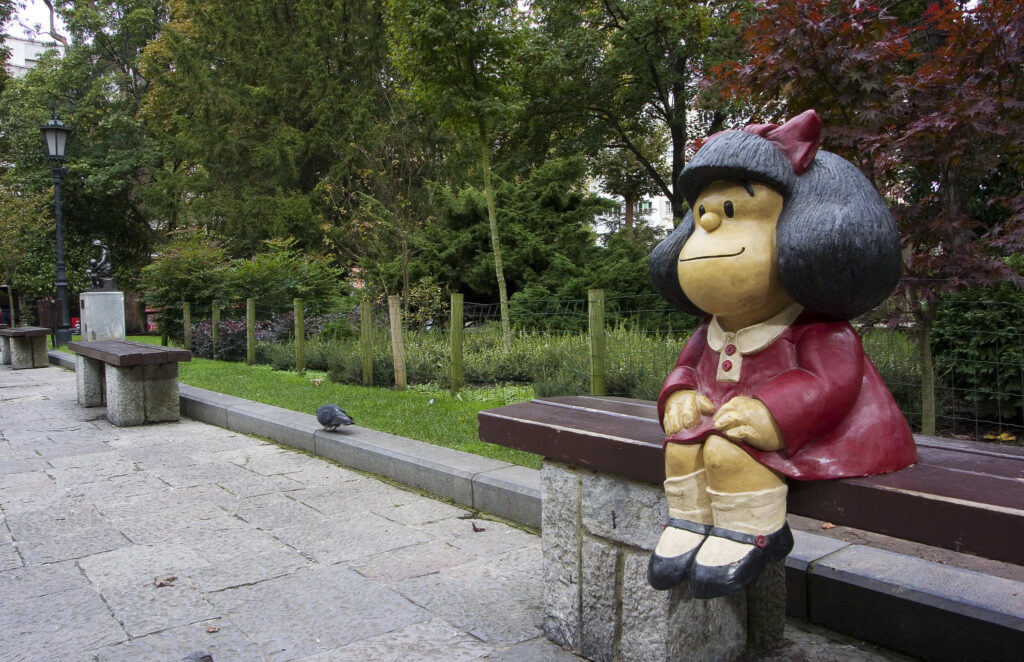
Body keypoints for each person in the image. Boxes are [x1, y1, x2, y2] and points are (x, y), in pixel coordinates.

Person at [646, 110, 917, 598]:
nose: (706, 225)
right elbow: (687, 367)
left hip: (818, 435)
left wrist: (772, 411)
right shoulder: (714, 327)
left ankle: (752, 530)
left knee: (730, 453)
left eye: (730, 213)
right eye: (703, 214)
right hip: (723, 420)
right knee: (684, 446)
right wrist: (679, 393)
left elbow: (830, 386)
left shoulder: (814, 330)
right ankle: (687, 523)